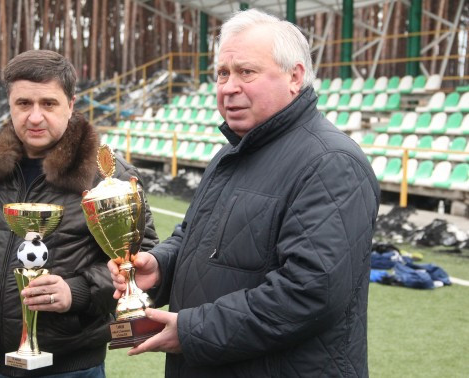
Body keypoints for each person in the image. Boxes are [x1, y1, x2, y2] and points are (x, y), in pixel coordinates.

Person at [108, 9, 380, 377]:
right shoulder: (231, 152)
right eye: (222, 73)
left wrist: (192, 331)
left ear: (294, 76)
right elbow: (193, 236)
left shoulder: (331, 162)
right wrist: (160, 267)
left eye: (245, 72)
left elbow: (308, 293)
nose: (228, 87)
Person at [0, 49, 158, 378]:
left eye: (48, 104)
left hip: (71, 368)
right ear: (10, 104)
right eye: (23, 104)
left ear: (71, 103)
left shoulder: (111, 180)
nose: (35, 117)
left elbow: (145, 264)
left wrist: (77, 292)